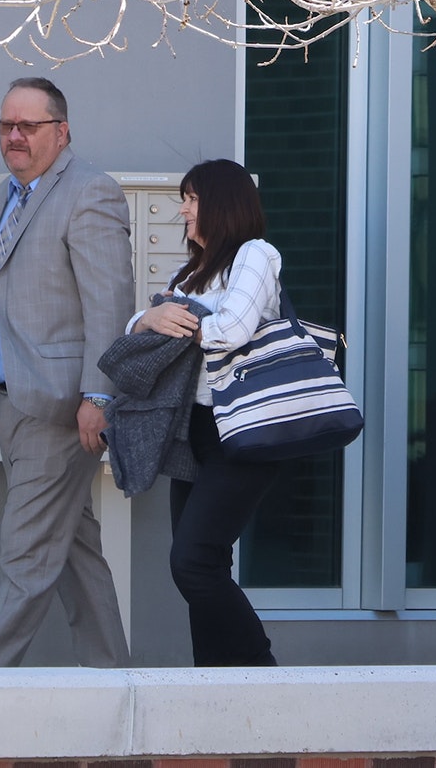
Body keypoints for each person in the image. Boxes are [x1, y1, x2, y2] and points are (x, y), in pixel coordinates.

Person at [0, 77, 134, 667]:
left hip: (59, 409)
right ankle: (113, 683)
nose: (14, 137)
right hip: (12, 406)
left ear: (61, 132)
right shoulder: (8, 194)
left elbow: (110, 304)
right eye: (5, 126)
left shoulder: (90, 192)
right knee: (72, 552)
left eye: (28, 126)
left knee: (25, 556)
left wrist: (100, 393)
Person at [126, 159, 284, 667]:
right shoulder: (192, 271)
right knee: (208, 562)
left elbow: (232, 328)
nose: (183, 210)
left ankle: (261, 672)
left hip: (242, 426)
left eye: (192, 199)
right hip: (193, 428)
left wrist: (179, 318)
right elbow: (139, 326)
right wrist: (150, 316)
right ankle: (214, 684)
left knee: (191, 563)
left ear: (221, 203)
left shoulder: (255, 255)